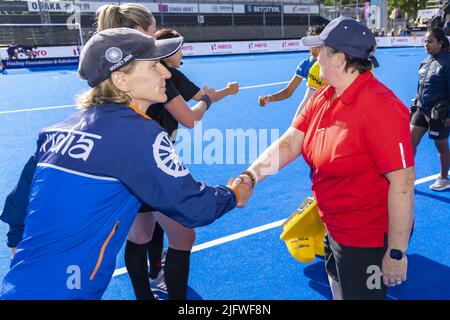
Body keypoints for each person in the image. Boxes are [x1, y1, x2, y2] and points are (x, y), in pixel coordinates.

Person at [0, 28, 251, 300]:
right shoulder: (141, 134)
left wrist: (29, 265)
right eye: (155, 66)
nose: (166, 73)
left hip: (18, 285)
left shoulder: (54, 133)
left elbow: (16, 211)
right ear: (121, 80)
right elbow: (194, 206)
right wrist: (234, 193)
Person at [233, 16, 415, 300]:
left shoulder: (381, 108)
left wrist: (395, 252)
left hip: (366, 238)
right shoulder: (324, 95)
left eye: (321, 54)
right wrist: (251, 175)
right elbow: (291, 142)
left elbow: (402, 185)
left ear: (340, 59)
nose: (315, 61)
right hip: (333, 225)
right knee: (337, 285)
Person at [94, 3, 239, 300]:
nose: (163, 70)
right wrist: (234, 194)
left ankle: (146, 292)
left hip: (129, 161)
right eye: (152, 36)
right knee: (183, 234)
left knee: (141, 233)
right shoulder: (147, 77)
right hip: (148, 159)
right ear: (138, 34)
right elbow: (189, 118)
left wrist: (216, 94)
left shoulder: (109, 70)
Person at [410, 28, 450, 191]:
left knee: (441, 145)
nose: (425, 44)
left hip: (439, 111)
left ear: (440, 43)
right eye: (424, 41)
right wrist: (415, 104)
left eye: (430, 41)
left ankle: (444, 178)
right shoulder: (426, 61)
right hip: (421, 109)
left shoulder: (448, 61)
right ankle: (407, 176)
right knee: (410, 141)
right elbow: (421, 86)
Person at [258, 25, 325, 108]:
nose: (313, 49)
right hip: (314, 109)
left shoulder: (336, 63)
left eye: (317, 45)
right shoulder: (305, 65)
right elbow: (288, 91)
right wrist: (270, 98)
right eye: (310, 44)